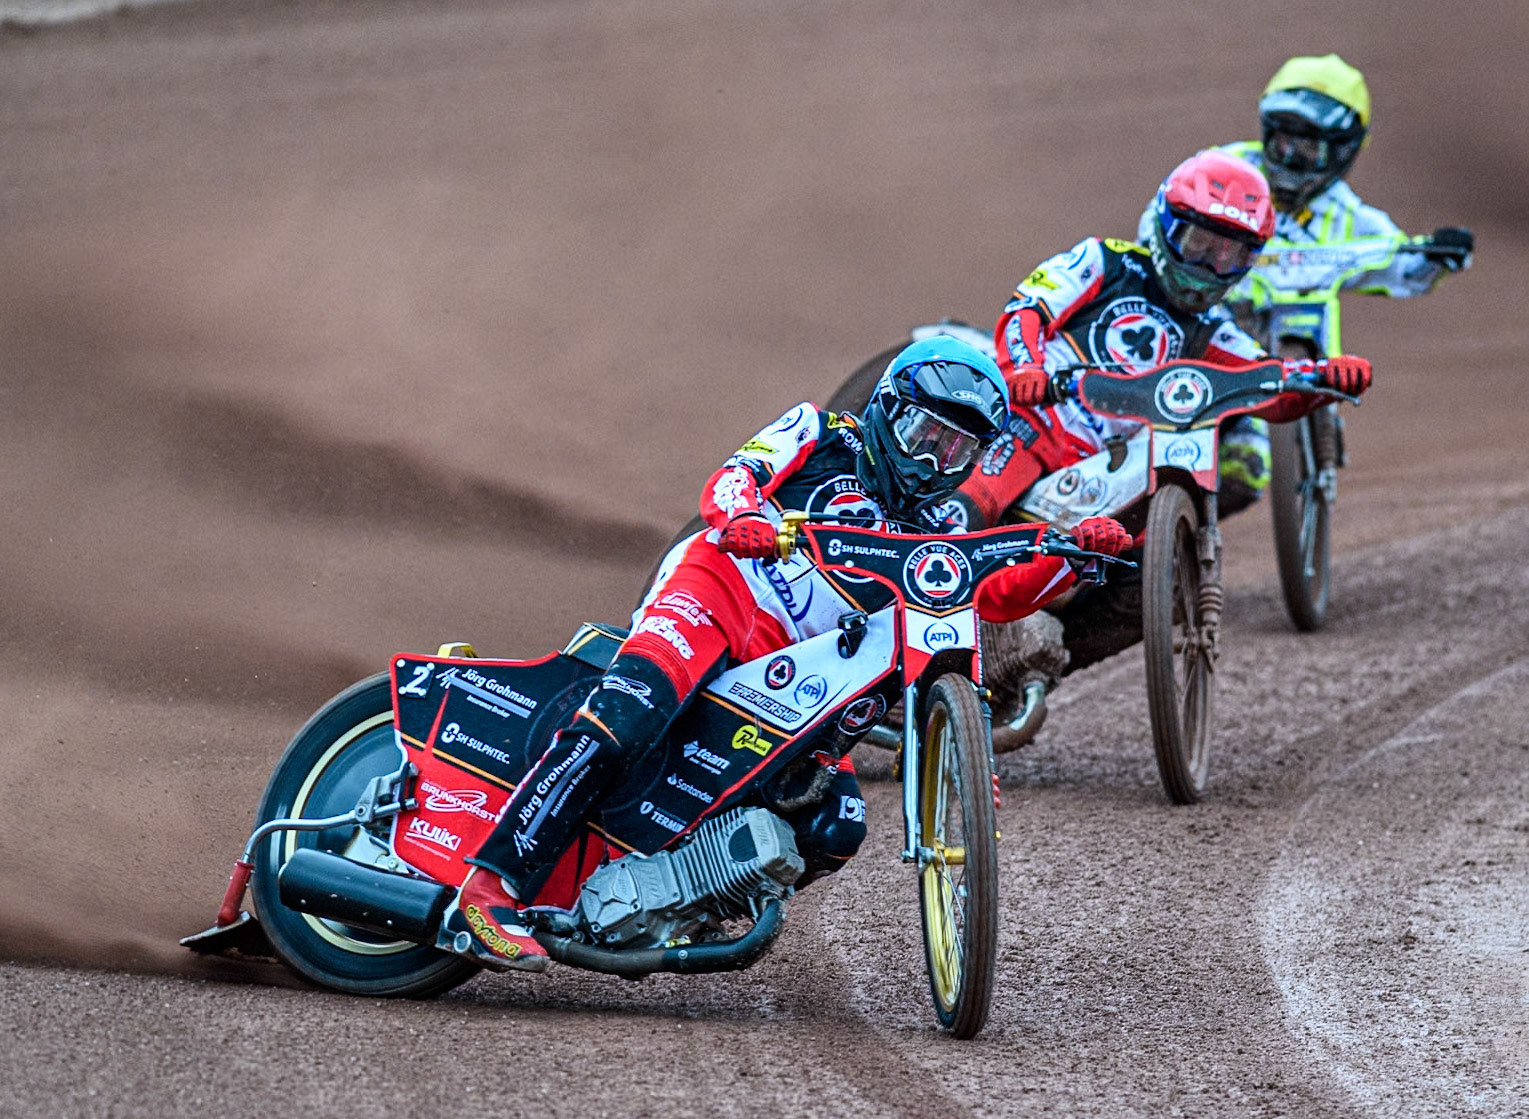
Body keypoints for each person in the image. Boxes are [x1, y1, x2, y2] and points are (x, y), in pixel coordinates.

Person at [440, 336, 1135, 971]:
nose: (931, 461)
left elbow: (998, 594)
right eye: (924, 434)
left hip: (798, 670)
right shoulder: (818, 433)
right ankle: (489, 883)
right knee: (632, 712)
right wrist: (743, 517)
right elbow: (734, 476)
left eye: (954, 452)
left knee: (836, 823)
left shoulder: (943, 525)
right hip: (719, 594)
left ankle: (684, 893)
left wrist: (1075, 557)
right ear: (887, 409)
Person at [949, 147, 1372, 531]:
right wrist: (1026, 368)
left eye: (1230, 255)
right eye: (1200, 244)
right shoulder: (1105, 260)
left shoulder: (1215, 328)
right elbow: (1029, 309)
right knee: (969, 508)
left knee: (1143, 547)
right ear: (1168, 227)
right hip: (1041, 420)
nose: (1210, 265)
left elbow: (1269, 385)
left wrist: (1324, 380)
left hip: (1113, 461)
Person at [1187, 53, 1474, 506]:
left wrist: (1439, 254)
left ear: (1344, 149)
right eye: (1282, 142)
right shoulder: (1225, 172)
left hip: (1293, 328)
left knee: (1242, 476)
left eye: (1309, 148)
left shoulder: (1347, 216)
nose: (1291, 158)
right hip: (1205, 325)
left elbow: (1402, 266)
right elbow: (1165, 219)